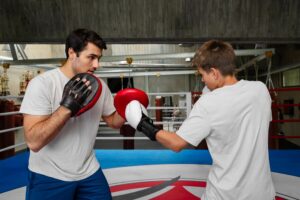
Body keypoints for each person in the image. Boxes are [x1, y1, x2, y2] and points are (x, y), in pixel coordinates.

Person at [125, 40, 276, 200]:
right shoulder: (260, 90)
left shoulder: (208, 104)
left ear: (214, 73)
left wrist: (144, 124)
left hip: (226, 195)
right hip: (263, 193)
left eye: (203, 75)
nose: (203, 80)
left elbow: (176, 143)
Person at [20, 28, 125, 200]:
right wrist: (67, 107)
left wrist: (129, 108)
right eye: (91, 57)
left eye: (98, 58)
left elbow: (114, 121)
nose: (96, 65)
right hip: (49, 175)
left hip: (88, 171)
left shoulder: (99, 86)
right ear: (71, 53)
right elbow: (34, 141)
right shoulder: (43, 84)